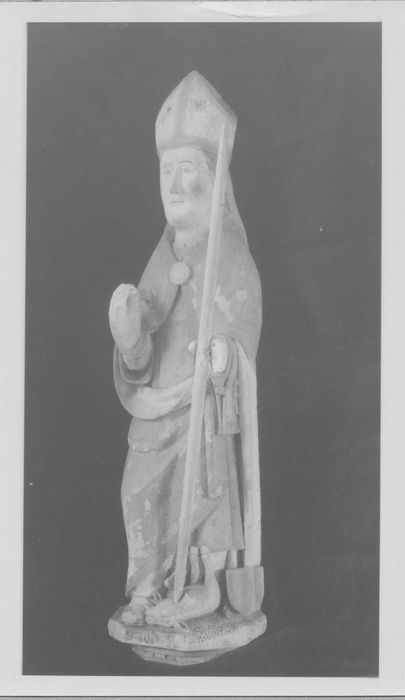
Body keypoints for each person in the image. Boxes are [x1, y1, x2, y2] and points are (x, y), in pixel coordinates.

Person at [109, 72, 262, 626]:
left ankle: (205, 587)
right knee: (138, 489)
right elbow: (144, 345)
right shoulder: (164, 254)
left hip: (204, 407)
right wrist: (130, 338)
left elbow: (243, 325)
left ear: (214, 178)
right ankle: (147, 589)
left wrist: (225, 356)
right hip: (159, 406)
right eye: (165, 170)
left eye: (188, 169)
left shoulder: (229, 253)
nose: (173, 185)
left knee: (206, 484)